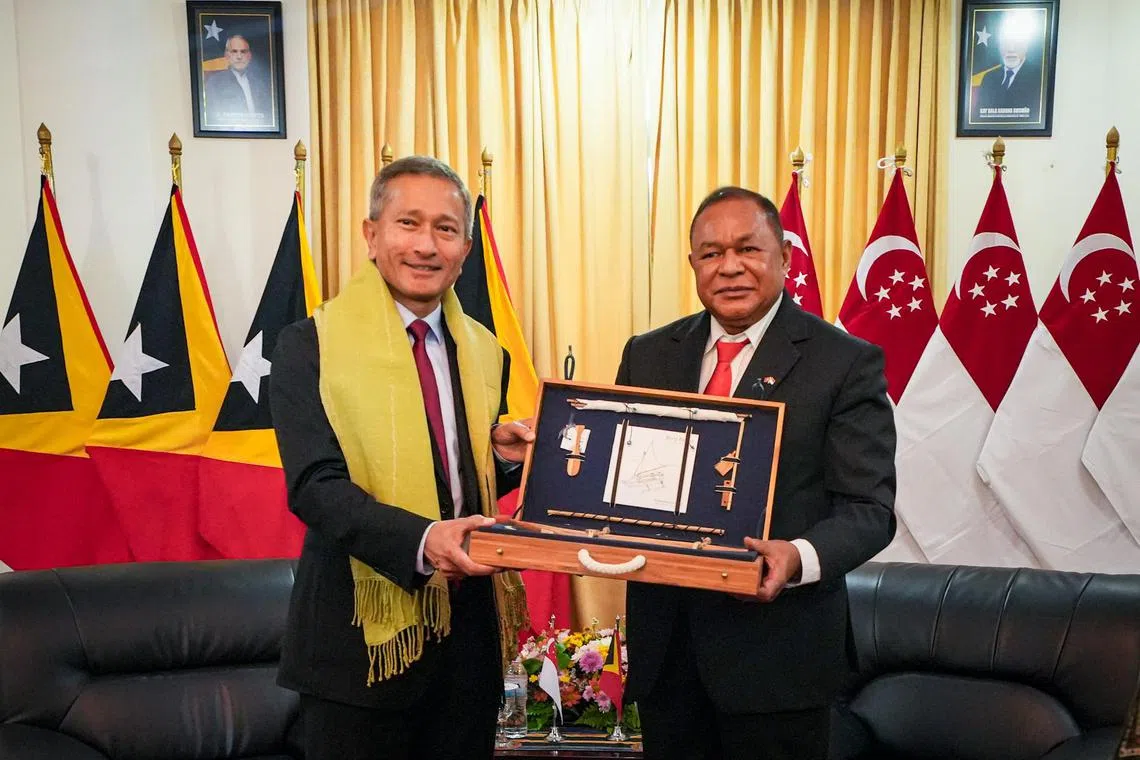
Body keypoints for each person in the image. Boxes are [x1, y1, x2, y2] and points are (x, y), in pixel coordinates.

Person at [614, 186, 897, 760]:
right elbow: (626, 476)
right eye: (712, 253)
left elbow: (870, 511)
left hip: (779, 662)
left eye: (749, 249)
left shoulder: (844, 362)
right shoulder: (647, 354)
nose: (731, 267)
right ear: (693, 263)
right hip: (668, 657)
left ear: (785, 258)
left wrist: (796, 556)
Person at [269, 155, 534, 760]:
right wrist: (424, 541)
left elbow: (454, 479)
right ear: (371, 234)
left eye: (445, 229)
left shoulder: (484, 351)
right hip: (355, 649)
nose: (425, 245)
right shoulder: (309, 346)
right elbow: (315, 485)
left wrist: (503, 460)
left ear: (465, 247)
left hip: (466, 649)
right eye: (407, 223)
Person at [972, 19, 1043, 124]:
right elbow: (978, 116)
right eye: (1005, 44)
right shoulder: (989, 78)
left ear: (1026, 46)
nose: (1011, 49)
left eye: (1017, 43)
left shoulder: (1038, 77)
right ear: (999, 47)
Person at [204, 34, 273, 126]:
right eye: (234, 51)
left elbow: (268, 115)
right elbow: (212, 118)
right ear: (227, 55)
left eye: (243, 52)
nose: (239, 56)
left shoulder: (261, 83)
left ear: (249, 56)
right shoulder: (215, 82)